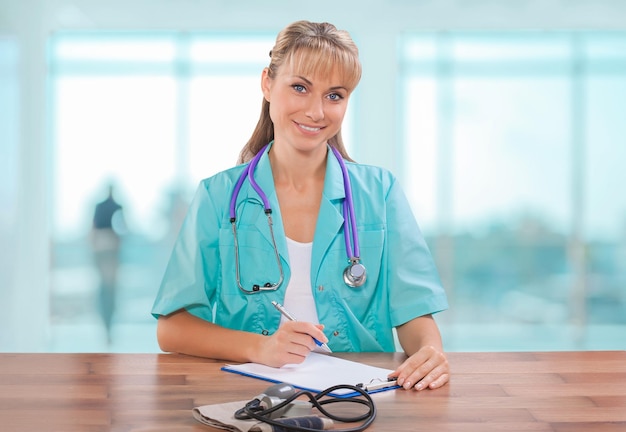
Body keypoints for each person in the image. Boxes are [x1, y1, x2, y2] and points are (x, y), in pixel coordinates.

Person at [152, 20, 450, 391]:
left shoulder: (381, 192)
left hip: (361, 399)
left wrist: (430, 351)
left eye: (334, 95)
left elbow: (413, 314)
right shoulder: (218, 196)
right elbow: (173, 327)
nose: (316, 112)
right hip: (249, 397)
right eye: (300, 88)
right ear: (267, 84)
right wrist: (261, 347)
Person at [91, 182, 125, 344]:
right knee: (108, 289)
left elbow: (94, 229)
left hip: (103, 248)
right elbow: (123, 228)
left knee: (107, 290)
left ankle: (107, 326)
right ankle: (107, 326)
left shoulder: (104, 207)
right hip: (109, 248)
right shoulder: (117, 207)